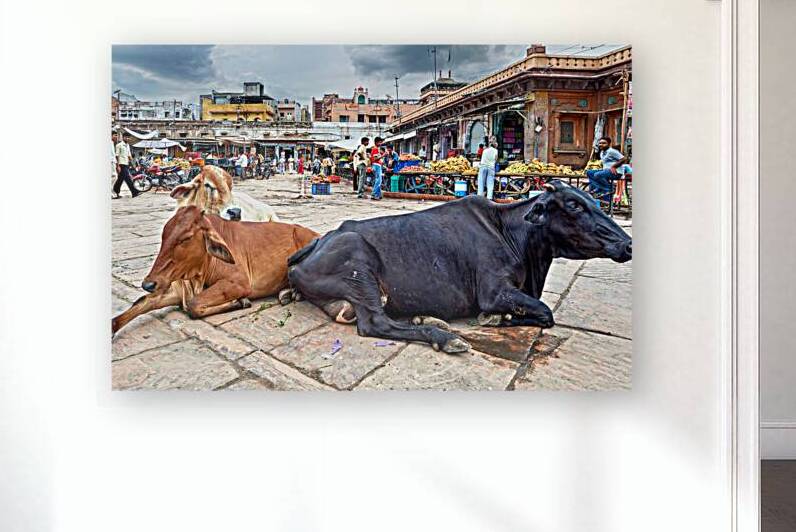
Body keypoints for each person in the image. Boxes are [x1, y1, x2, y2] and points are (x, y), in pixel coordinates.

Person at [586, 136, 627, 205]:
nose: (601, 145)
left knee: (597, 175)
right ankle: (600, 189)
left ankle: (608, 188)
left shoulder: (612, 151)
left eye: (604, 143)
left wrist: (614, 166)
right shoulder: (602, 153)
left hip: (616, 172)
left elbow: (623, 159)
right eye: (600, 143)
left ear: (609, 144)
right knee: (589, 172)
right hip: (606, 171)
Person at [112, 132, 140, 199]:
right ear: (123, 137)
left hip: (126, 164)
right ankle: (134, 192)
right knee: (128, 179)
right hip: (121, 164)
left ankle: (115, 191)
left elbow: (129, 156)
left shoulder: (127, 145)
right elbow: (117, 156)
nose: (127, 138)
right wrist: (117, 165)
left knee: (120, 180)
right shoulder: (119, 145)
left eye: (128, 137)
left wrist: (133, 164)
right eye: (126, 137)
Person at [369, 136, 384, 200]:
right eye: (379, 142)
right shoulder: (375, 149)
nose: (380, 144)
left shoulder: (376, 149)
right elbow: (375, 159)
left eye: (381, 142)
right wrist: (383, 155)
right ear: (376, 142)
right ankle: (374, 194)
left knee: (378, 180)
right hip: (376, 165)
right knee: (378, 181)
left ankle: (378, 194)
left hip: (377, 165)